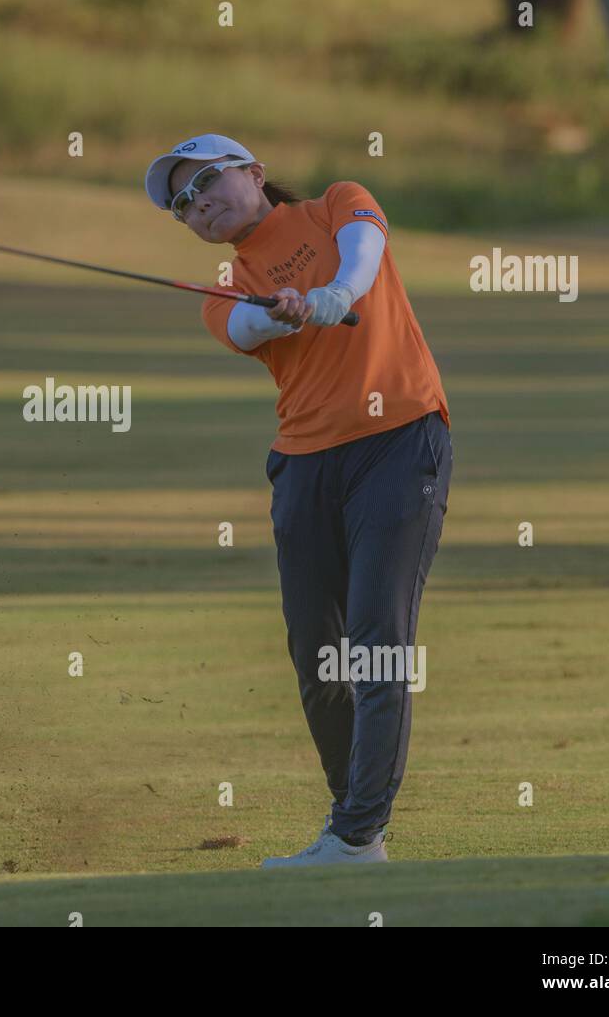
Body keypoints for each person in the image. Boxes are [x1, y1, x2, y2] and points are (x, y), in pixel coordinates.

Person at [144, 133, 453, 866]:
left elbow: (364, 257)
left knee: (378, 642)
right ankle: (358, 826)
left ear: (253, 172)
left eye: (208, 181)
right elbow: (247, 324)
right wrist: (279, 310)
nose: (199, 204)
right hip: (305, 466)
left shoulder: (337, 203)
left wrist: (331, 296)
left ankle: (355, 836)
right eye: (183, 204)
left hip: (400, 439)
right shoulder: (226, 293)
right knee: (318, 658)